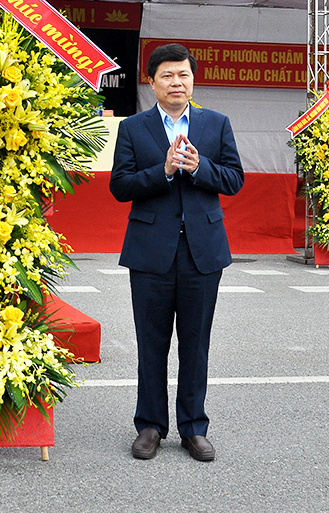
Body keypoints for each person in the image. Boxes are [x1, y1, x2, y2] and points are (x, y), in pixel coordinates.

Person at [109, 43, 244, 462]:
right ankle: (150, 426)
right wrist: (164, 171)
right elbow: (120, 186)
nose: (176, 82)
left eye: (183, 74)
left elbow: (234, 179)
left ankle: (193, 428)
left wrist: (199, 167)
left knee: (196, 344)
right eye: (167, 75)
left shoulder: (215, 124)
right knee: (152, 345)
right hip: (151, 252)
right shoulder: (133, 128)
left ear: (192, 78)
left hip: (202, 252)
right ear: (152, 82)